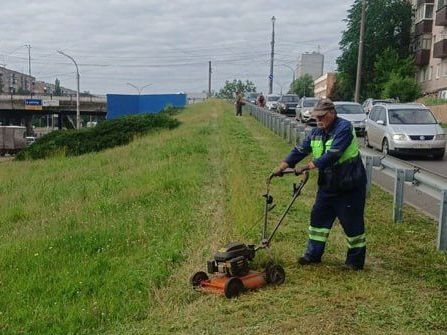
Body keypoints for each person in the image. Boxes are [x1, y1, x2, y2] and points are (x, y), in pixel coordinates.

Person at [273, 98, 367, 270]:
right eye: (316, 117)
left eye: (322, 116)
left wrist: (307, 167)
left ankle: (355, 262)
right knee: (318, 219)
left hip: (349, 185)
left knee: (352, 223)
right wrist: (283, 166)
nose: (318, 120)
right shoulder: (315, 132)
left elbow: (333, 154)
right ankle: (313, 255)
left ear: (332, 113)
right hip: (328, 185)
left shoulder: (344, 128)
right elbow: (300, 149)